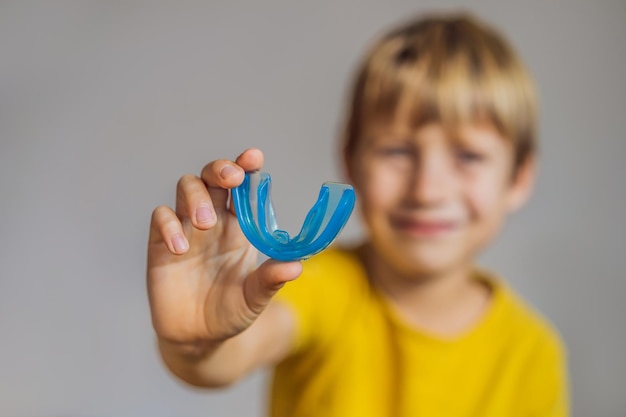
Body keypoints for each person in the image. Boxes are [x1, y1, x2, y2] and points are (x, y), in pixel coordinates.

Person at [147, 12, 569, 417]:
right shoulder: (321, 286)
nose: (427, 189)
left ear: (518, 178)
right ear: (350, 160)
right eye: (397, 151)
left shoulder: (533, 353)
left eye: (469, 157)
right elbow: (239, 349)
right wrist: (198, 344)